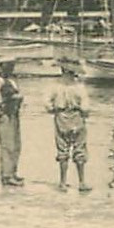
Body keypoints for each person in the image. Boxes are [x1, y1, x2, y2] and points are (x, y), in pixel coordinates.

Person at [47, 60, 92, 192]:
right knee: (80, 148)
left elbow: (46, 102)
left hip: (61, 117)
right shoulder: (79, 87)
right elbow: (85, 106)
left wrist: (52, 110)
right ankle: (82, 182)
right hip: (77, 116)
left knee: (62, 149)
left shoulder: (55, 86)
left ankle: (62, 182)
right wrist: (85, 114)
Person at [0, 57, 25, 186]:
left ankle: (13, 172)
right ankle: (6, 176)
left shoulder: (12, 81)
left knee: (16, 144)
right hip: (5, 114)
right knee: (7, 145)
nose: (11, 68)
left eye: (12, 65)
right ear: (2, 66)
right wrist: (9, 100)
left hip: (14, 114)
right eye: (8, 66)